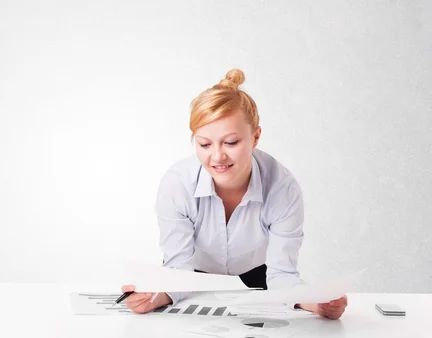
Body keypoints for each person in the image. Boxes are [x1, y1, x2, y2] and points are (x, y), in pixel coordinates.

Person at [121, 68, 348, 320]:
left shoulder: (282, 188)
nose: (217, 157)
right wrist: (152, 296)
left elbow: (282, 275)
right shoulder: (177, 184)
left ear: (256, 136)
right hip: (193, 283)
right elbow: (178, 269)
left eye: (231, 142)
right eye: (204, 144)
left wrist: (315, 303)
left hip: (257, 284)